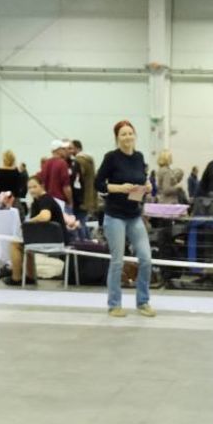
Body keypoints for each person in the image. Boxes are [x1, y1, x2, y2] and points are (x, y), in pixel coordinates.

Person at [94, 119, 154, 318]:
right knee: (117, 261)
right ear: (117, 138)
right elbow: (98, 184)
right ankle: (114, 304)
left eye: (130, 133)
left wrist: (147, 185)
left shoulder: (139, 157)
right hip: (114, 215)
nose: (128, 137)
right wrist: (120, 187)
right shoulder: (111, 158)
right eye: (123, 134)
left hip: (134, 214)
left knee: (145, 258)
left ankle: (143, 302)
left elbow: (142, 178)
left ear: (135, 136)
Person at [7, 174, 67, 286]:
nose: (32, 190)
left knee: (15, 244)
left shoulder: (45, 200)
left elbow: (45, 216)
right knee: (27, 244)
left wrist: (28, 222)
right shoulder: (37, 201)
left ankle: (16, 278)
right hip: (51, 238)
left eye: (35, 187)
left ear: (42, 186)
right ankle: (30, 277)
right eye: (29, 188)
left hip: (56, 241)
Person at [70, 140, 97, 224]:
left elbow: (76, 180)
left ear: (77, 149)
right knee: (83, 222)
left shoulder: (79, 161)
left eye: (71, 148)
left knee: (79, 224)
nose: (69, 151)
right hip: (89, 197)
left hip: (80, 199)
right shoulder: (89, 160)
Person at [39, 140, 72, 207]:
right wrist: (70, 201)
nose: (66, 151)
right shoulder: (62, 163)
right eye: (63, 149)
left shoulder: (46, 163)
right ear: (57, 150)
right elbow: (66, 187)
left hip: (47, 199)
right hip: (59, 200)